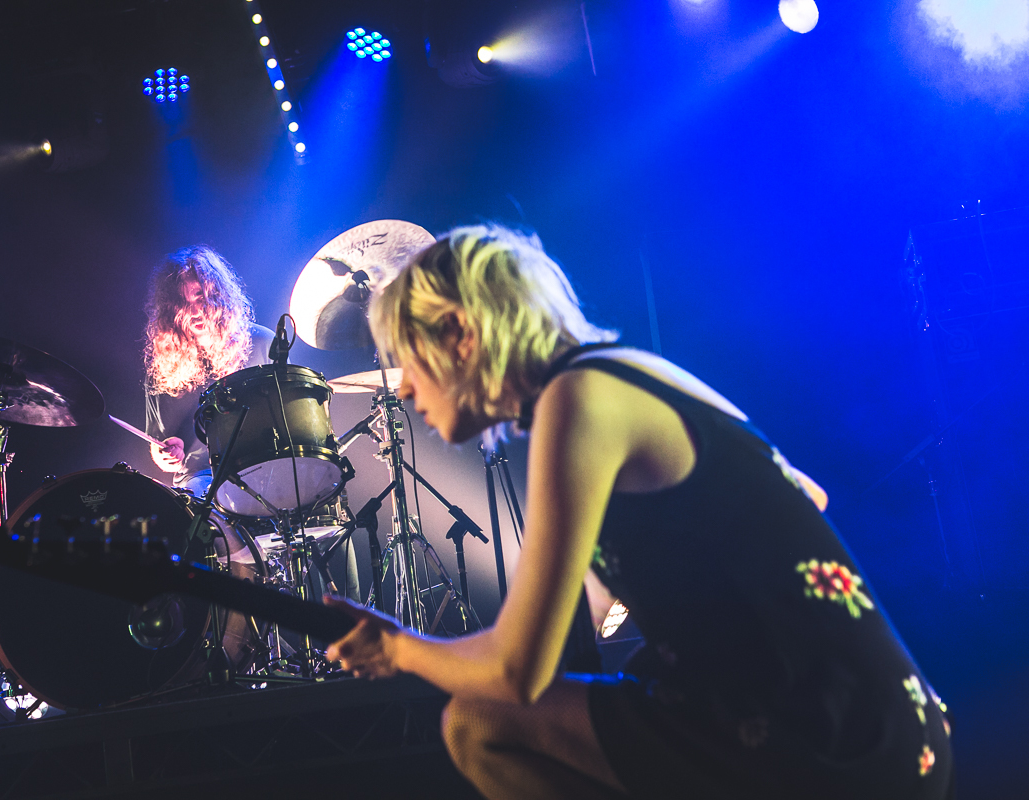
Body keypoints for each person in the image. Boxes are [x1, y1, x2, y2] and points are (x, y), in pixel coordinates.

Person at [325, 226, 954, 800]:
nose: (404, 386)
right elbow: (806, 494)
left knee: (478, 724)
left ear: (461, 334)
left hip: (827, 739)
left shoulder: (577, 397)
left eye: (408, 357)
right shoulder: (632, 372)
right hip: (894, 727)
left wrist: (396, 648)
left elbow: (515, 672)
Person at [143, 245, 274, 496]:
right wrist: (167, 455)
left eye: (200, 297)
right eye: (182, 302)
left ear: (219, 295)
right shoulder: (163, 364)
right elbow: (159, 448)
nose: (193, 312)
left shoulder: (262, 342)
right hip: (200, 477)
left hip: (262, 467)